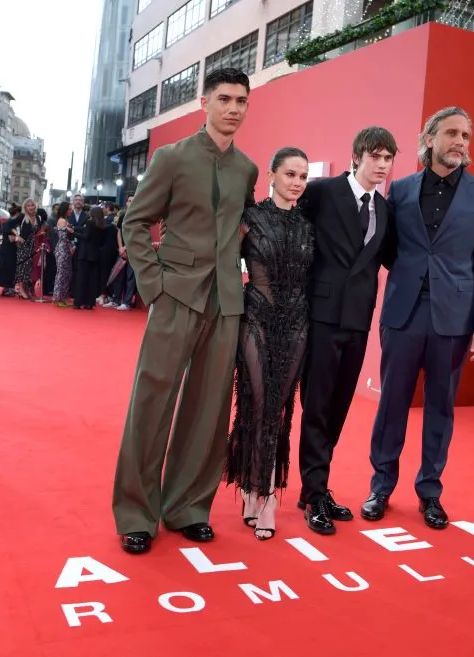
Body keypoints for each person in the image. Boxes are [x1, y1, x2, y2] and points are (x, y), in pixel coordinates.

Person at [112, 67, 258, 555]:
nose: (233, 108)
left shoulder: (247, 169)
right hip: (175, 296)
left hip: (225, 302)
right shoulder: (171, 157)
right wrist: (153, 285)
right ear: (204, 103)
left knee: (209, 411)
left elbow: (243, 229)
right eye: (224, 99)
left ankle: (188, 507)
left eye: (241, 100)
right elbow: (135, 221)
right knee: (152, 403)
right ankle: (137, 513)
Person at [361, 107, 474, 530]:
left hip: (455, 319)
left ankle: (430, 492)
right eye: (452, 133)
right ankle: (380, 486)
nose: (460, 141)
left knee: (441, 407)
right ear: (430, 139)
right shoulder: (400, 190)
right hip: (403, 314)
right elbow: (387, 249)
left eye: (466, 135)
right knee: (391, 404)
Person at [296, 127, 397, 535]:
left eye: (388, 159)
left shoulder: (385, 210)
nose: (383, 166)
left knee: (338, 407)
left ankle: (313, 487)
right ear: (357, 156)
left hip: (358, 319)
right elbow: (294, 236)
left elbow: (391, 259)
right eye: (376, 157)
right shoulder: (322, 192)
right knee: (317, 405)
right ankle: (315, 491)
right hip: (320, 315)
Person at [227, 147, 313, 541]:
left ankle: (268, 496)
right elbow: (223, 262)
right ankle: (250, 484)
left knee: (280, 410)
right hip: (256, 319)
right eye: (290, 174)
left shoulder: (309, 226)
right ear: (272, 174)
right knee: (255, 403)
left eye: (302, 176)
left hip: (296, 325)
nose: (296, 182)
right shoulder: (249, 219)